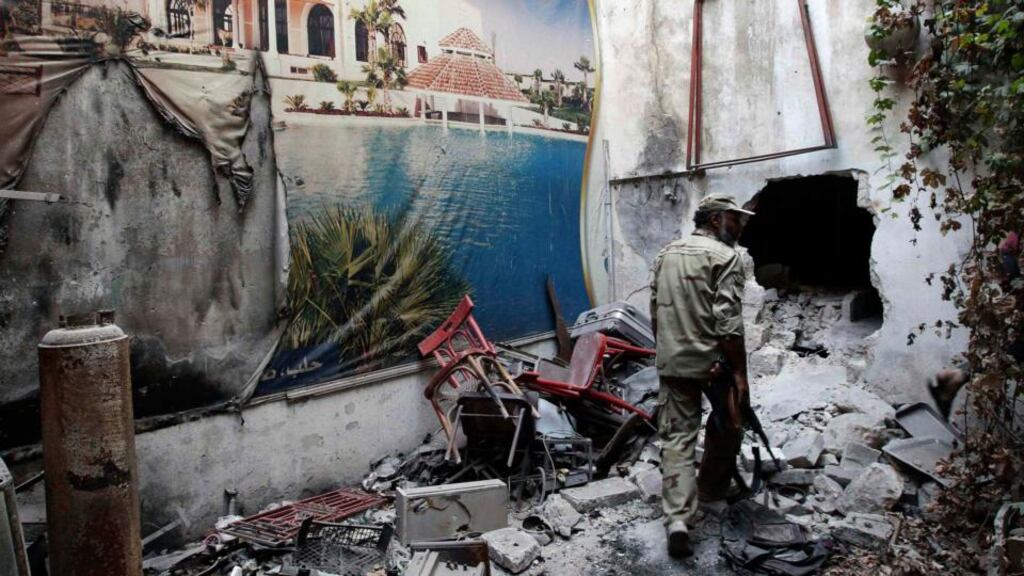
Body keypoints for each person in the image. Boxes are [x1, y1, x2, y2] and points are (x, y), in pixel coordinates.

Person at [649, 193, 754, 558]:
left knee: (677, 436)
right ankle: (710, 489)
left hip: (674, 361)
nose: (740, 226)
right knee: (730, 422)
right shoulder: (727, 257)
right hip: (713, 363)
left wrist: (665, 353)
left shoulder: (666, 254)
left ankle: (678, 518)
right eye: (734, 219)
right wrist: (739, 373)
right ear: (714, 221)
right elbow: (728, 322)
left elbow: (655, 311)